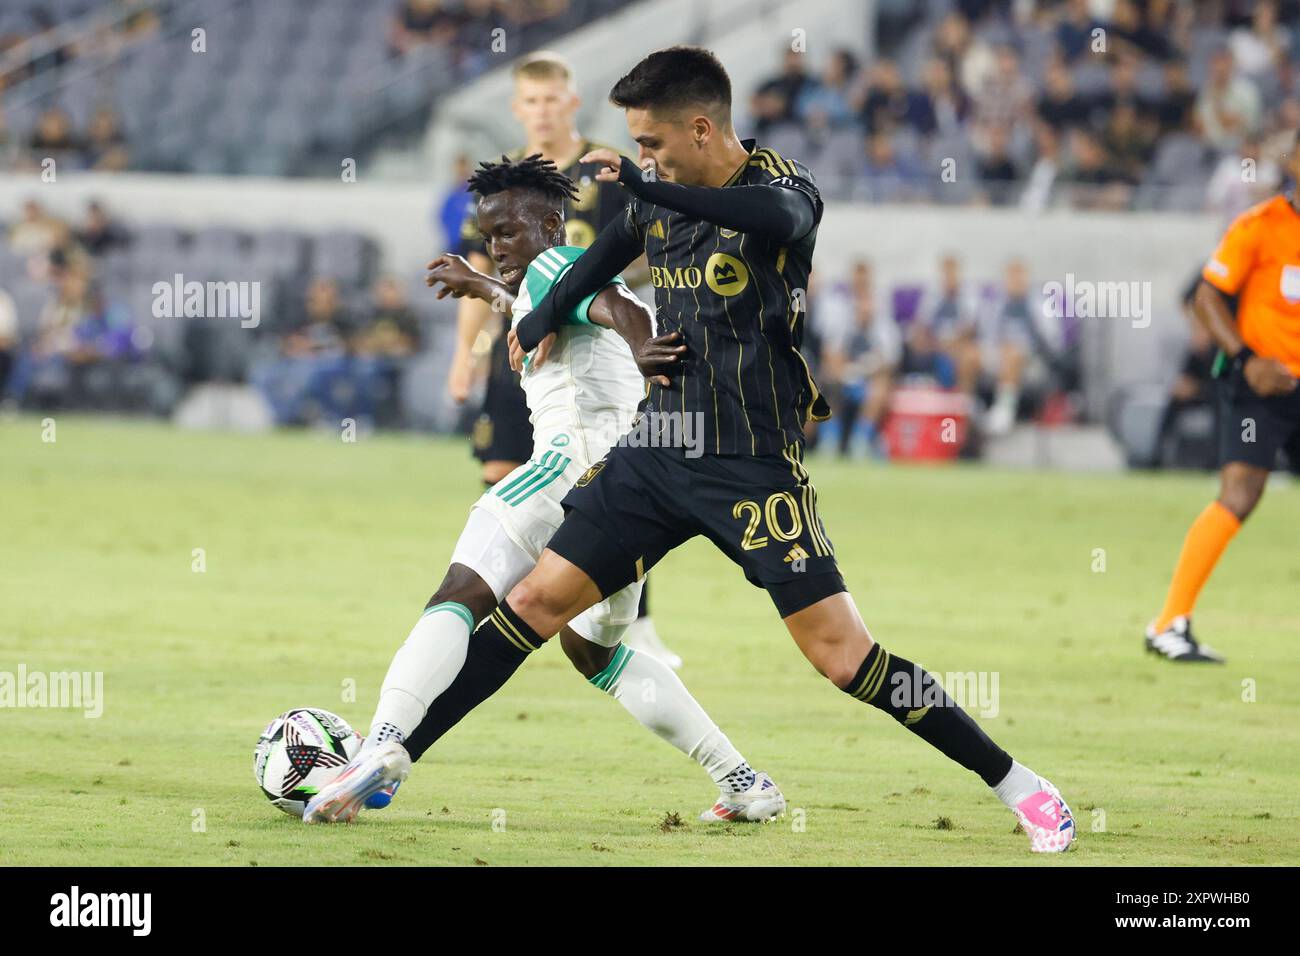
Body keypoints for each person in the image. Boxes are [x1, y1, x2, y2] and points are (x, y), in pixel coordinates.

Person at [310, 47, 1076, 853]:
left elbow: (777, 225)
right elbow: (590, 273)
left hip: (751, 463)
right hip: (657, 447)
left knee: (844, 656)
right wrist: (531, 317)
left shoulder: (785, 191)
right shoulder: (652, 203)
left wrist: (648, 189)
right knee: (536, 603)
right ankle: (390, 761)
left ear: (702, 128)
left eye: (652, 142)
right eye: (638, 147)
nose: (643, 157)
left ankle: (1019, 784)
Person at [304, 155, 783, 825]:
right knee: (595, 650)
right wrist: (482, 285)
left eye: (507, 232)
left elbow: (612, 303)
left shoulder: (559, 265)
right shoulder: (542, 279)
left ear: (553, 224)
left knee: (461, 593)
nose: (495, 245)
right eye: (487, 234)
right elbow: (559, 301)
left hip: (565, 462)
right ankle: (743, 781)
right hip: (628, 491)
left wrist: (646, 343)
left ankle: (379, 745)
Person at [450, 50, 680, 668]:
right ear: (518, 108)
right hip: (517, 340)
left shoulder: (605, 170)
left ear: (571, 102)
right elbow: (479, 270)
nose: (543, 111)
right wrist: (462, 355)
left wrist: (585, 284)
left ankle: (635, 619)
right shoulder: (507, 182)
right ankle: (512, 601)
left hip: (591, 341)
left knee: (608, 480)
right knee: (502, 473)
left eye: (553, 99)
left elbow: (647, 247)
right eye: (531, 101)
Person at [1145, 135, 1300, 662]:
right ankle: (1168, 623)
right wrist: (1245, 360)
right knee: (1240, 491)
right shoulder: (1259, 226)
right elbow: (1207, 296)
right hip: (1258, 384)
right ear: (1293, 162)